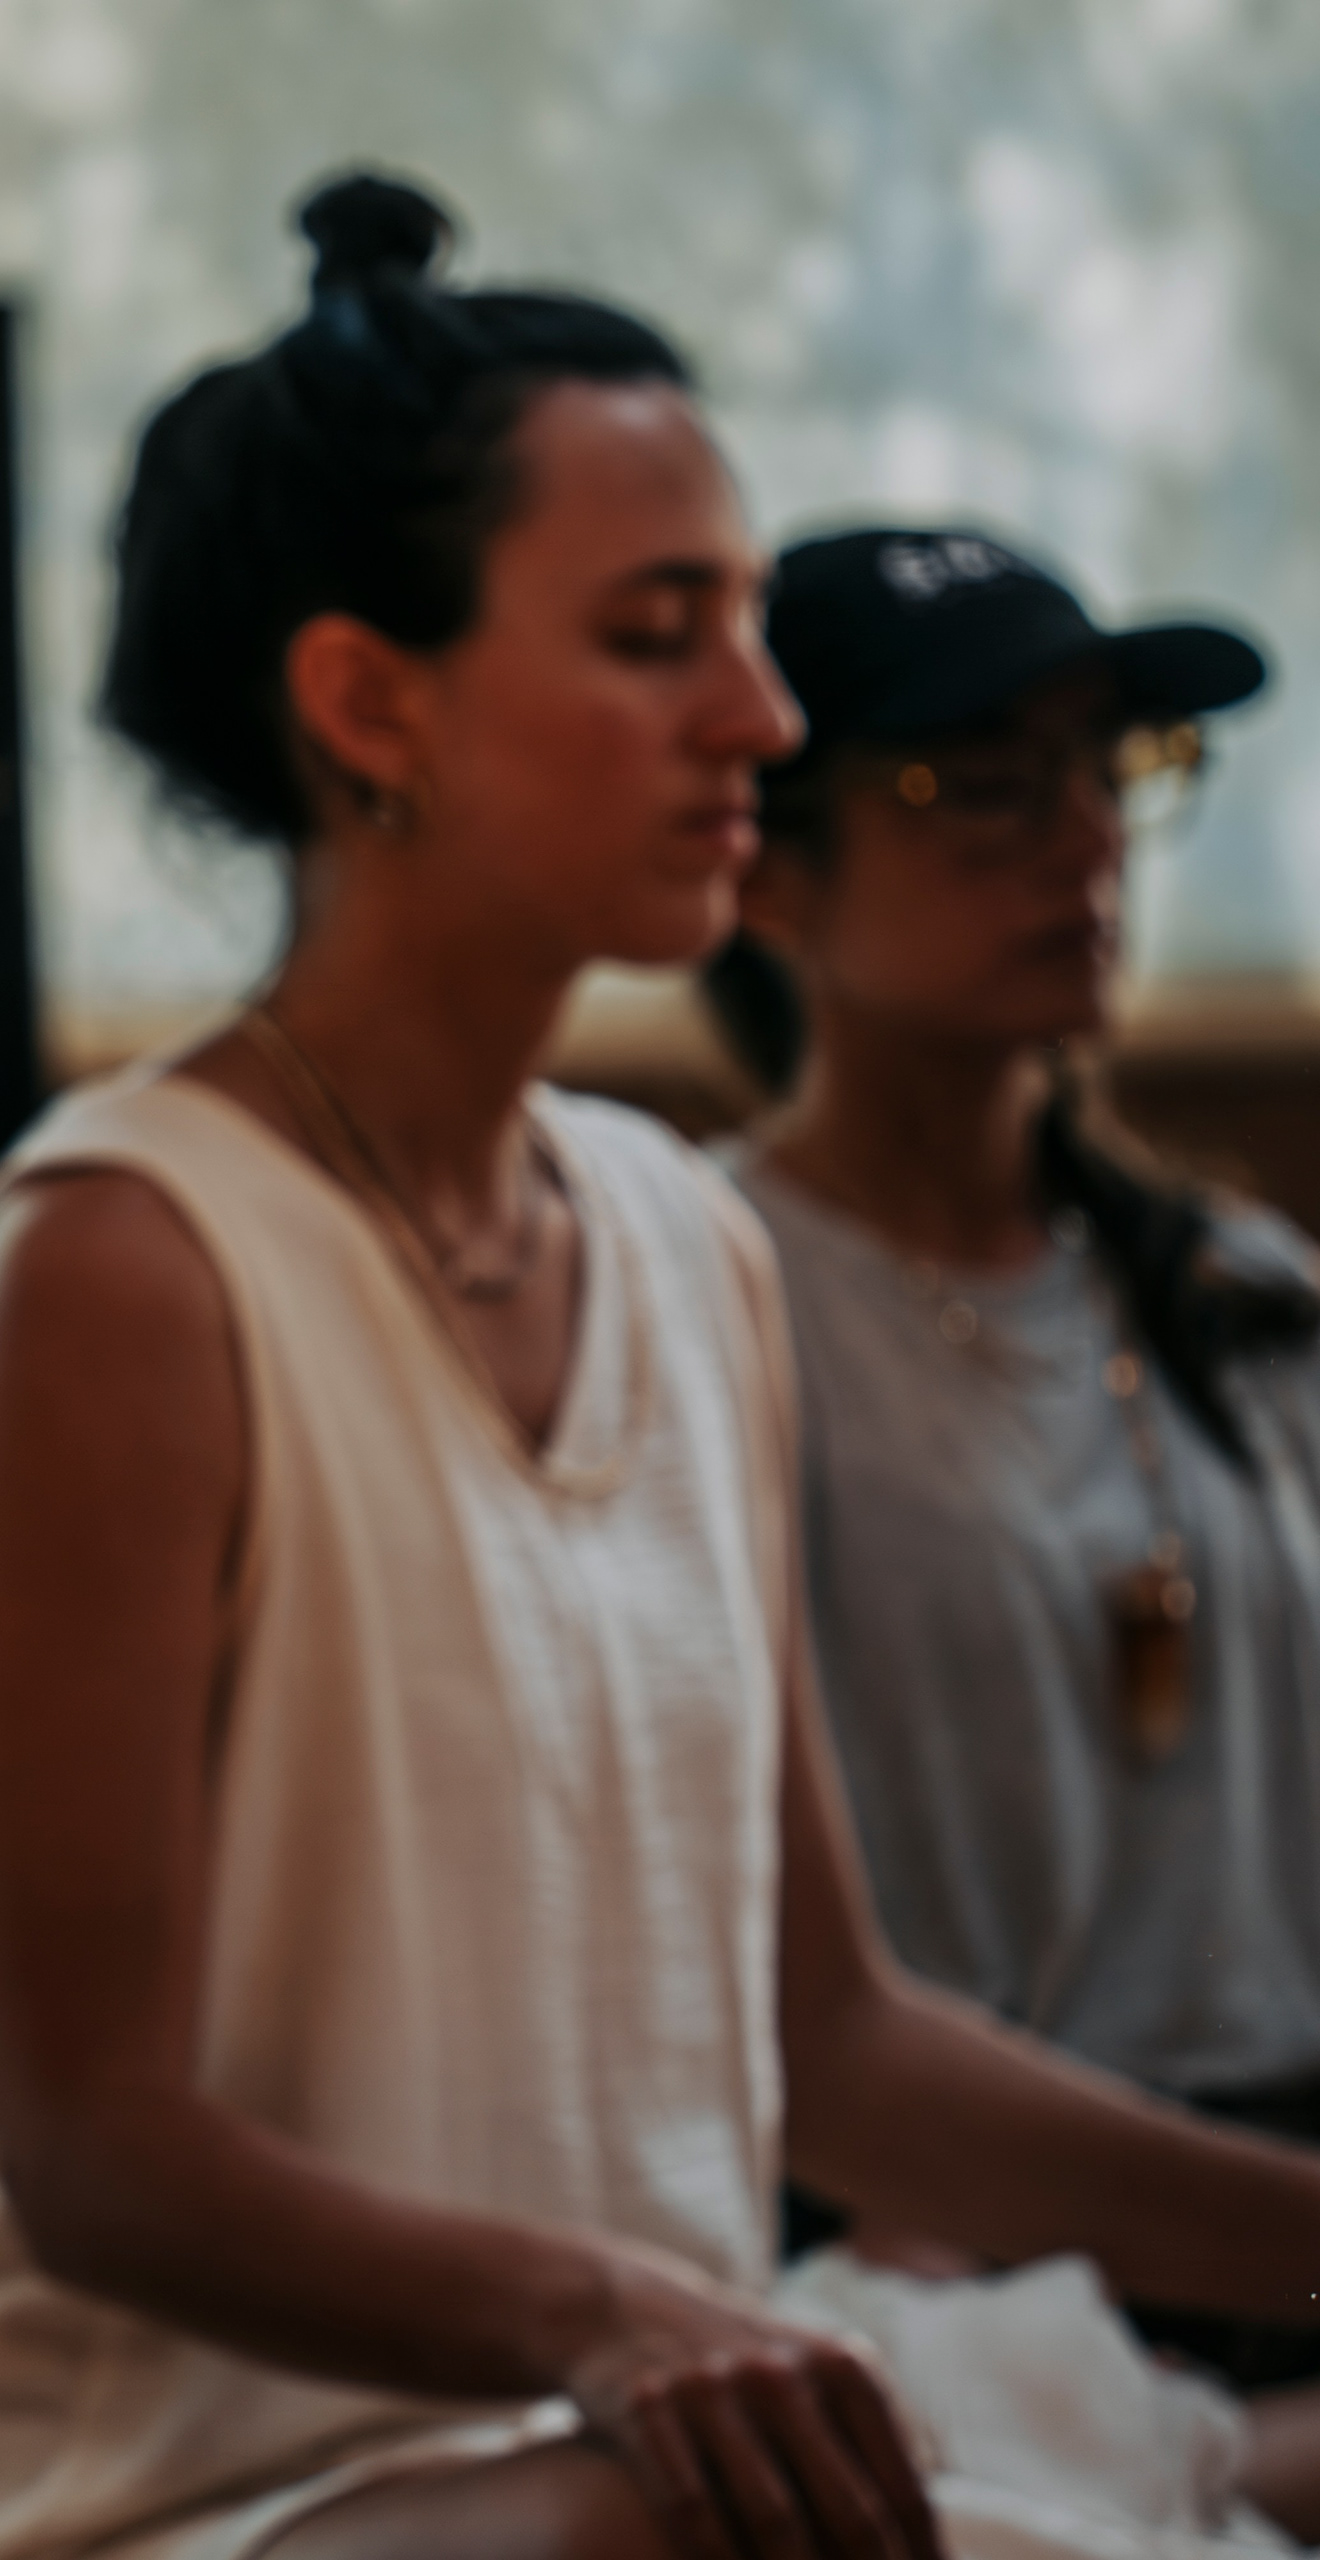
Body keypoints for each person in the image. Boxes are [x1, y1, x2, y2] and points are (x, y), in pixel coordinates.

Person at [0, 173, 1320, 2560]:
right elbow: (90, 2145)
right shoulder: (127, 1256)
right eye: (656, 633)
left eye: (749, 628)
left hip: (638, 2463)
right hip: (179, 2497)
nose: (764, 716)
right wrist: (607, 2313)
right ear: (366, 702)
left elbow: (834, 2037)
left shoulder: (688, 1240)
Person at [706, 528, 1320, 2396]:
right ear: (764, 869)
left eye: (1108, 767)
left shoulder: (1236, 1288)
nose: (1085, 840)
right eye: (979, 787)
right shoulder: (701, 1293)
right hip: (945, 2244)